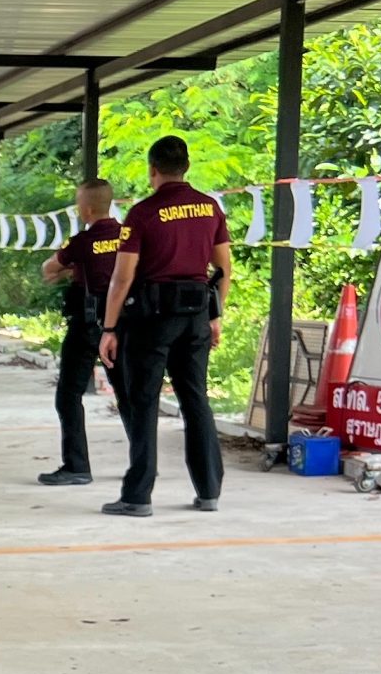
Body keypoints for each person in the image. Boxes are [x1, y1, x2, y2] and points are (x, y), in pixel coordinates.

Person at [99, 135, 234, 517]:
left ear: (152, 170)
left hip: (151, 319)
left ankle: (138, 496)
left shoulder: (142, 213)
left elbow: (122, 277)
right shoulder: (210, 207)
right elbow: (224, 268)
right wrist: (215, 316)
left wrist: (109, 328)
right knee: (195, 399)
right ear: (186, 167)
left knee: (143, 403)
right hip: (196, 315)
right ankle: (209, 491)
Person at [37, 179, 126, 488]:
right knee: (128, 395)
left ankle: (77, 466)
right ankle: (144, 464)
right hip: (123, 324)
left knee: (69, 395)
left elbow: (48, 268)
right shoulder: (127, 236)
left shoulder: (82, 242)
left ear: (86, 210)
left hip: (87, 324)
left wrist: (68, 268)